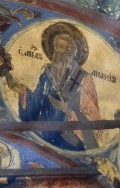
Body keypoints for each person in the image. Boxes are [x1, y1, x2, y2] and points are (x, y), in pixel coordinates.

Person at [6, 22, 101, 151]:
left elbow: (93, 118)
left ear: (70, 52)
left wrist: (70, 113)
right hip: (43, 136)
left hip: (68, 142)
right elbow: (38, 102)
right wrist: (23, 92)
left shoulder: (83, 78)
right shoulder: (47, 74)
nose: (57, 51)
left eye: (61, 47)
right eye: (55, 47)